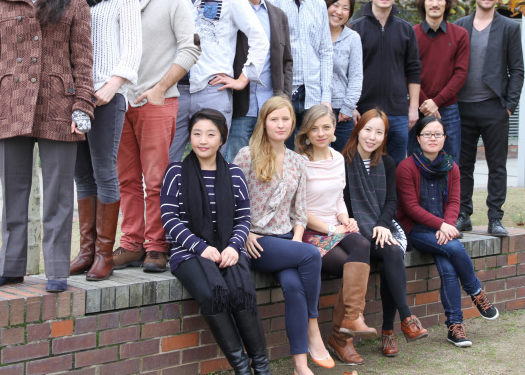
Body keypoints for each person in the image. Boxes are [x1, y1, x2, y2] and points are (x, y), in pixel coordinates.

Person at [0, 0, 95, 293]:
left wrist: (82, 106)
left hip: (59, 107)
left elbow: (84, 61)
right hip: (10, 104)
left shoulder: (74, 3)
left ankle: (57, 270)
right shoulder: (2, 1)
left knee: (58, 193)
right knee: (14, 192)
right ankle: (10, 267)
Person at [111, 0, 201, 273]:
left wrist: (162, 87)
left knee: (157, 179)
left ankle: (157, 246)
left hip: (158, 102)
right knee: (127, 180)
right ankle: (132, 243)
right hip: (120, 102)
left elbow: (191, 47)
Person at [161, 109, 271, 375]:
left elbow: (244, 219)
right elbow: (169, 218)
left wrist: (234, 247)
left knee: (242, 294)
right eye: (197, 133)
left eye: (211, 134)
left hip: (228, 249)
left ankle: (263, 367)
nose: (203, 140)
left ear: (222, 138)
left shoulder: (234, 174)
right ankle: (242, 367)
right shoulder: (176, 172)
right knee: (213, 295)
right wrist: (201, 247)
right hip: (188, 252)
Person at [234, 96, 330, 375]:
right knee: (312, 254)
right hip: (256, 242)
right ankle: (314, 326)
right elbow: (232, 202)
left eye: (285, 119)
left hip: (287, 241)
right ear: (263, 122)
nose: (280, 124)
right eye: (273, 119)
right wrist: (245, 231)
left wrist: (297, 241)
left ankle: (301, 366)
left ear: (292, 124)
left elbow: (299, 212)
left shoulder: (298, 162)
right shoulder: (246, 155)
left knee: (294, 289)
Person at [68, 0, 142, 281]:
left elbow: (133, 46)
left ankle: (104, 255)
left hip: (106, 95)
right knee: (81, 174)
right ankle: (85, 251)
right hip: (71, 94)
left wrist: (114, 85)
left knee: (104, 172)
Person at [396, 116, 500, 348]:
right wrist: (441, 226)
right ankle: (476, 291)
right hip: (415, 230)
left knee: (448, 264)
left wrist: (448, 225)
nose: (432, 138)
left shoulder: (451, 167)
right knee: (453, 247)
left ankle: (455, 328)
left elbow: (454, 202)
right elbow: (411, 208)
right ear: (418, 138)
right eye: (427, 134)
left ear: (445, 138)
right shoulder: (406, 167)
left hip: (442, 230)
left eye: (437, 134)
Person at [170, 0, 269, 161]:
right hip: (175, 92)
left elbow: (259, 38)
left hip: (213, 91)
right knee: (166, 161)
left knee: (213, 162)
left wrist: (243, 78)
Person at [341, 109, 428, 357]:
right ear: (358, 130)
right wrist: (363, 223)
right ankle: (404, 321)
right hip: (355, 228)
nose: (372, 136)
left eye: (379, 132)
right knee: (391, 253)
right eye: (368, 129)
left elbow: (391, 201)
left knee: (392, 251)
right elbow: (343, 203)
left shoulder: (387, 162)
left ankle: (392, 328)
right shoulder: (342, 161)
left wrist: (381, 224)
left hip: (381, 226)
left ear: (384, 136)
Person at [295, 105, 377, 366]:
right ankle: (343, 336)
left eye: (326, 127)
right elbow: (298, 209)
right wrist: (331, 228)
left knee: (362, 244)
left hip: (336, 225)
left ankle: (349, 324)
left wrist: (345, 218)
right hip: (311, 231)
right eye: (315, 128)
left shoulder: (337, 158)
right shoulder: (299, 162)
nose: (321, 133)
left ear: (333, 131)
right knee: (350, 267)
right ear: (306, 132)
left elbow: (339, 197)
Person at [453, 0, 525, 236]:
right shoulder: (459, 26)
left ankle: (495, 217)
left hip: (495, 107)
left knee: (497, 165)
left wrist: (509, 106)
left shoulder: (509, 27)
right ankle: (463, 214)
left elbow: (517, 70)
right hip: (462, 107)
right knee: (463, 166)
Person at [264, 0, 333, 149]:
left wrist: (326, 97)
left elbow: (326, 52)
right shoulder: (269, 2)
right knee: (280, 153)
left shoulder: (319, 5)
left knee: (313, 154)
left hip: (313, 94)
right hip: (282, 93)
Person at [226, 0, 293, 161]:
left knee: (269, 166)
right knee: (236, 165)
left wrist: (284, 97)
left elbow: (286, 61)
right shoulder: (229, 11)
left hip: (270, 107)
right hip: (240, 106)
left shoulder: (278, 15)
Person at [351, 0, 421, 165]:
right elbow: (345, 72)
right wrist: (353, 107)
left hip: (397, 113)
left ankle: (393, 198)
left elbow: (414, 70)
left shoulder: (406, 30)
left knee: (397, 167)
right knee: (362, 166)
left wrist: (413, 108)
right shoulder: (355, 30)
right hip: (364, 112)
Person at [410, 0, 470, 164]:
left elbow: (460, 74)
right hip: (417, 109)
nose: (435, 3)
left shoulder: (460, 35)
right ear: (423, 3)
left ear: (447, 3)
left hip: (448, 109)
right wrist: (425, 103)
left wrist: (436, 102)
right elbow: (407, 72)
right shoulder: (410, 34)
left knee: (450, 164)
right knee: (415, 164)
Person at [326, 0, 362, 152]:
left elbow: (356, 76)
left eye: (345, 8)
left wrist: (348, 107)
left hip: (342, 113)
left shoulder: (352, 38)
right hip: (316, 108)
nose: (339, 11)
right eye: (335, 5)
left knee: (342, 162)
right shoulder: (316, 33)